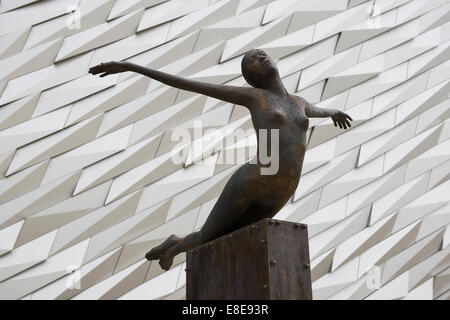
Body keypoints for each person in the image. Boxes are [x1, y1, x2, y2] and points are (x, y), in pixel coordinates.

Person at [88, 49, 353, 270]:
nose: (261, 58)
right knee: (210, 237)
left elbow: (317, 111)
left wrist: (333, 112)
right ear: (252, 77)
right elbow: (186, 83)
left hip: (284, 186)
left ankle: (177, 243)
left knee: (243, 240)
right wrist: (132, 67)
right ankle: (175, 246)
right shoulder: (255, 97)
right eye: (253, 60)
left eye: (261, 55)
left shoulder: (299, 101)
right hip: (256, 178)